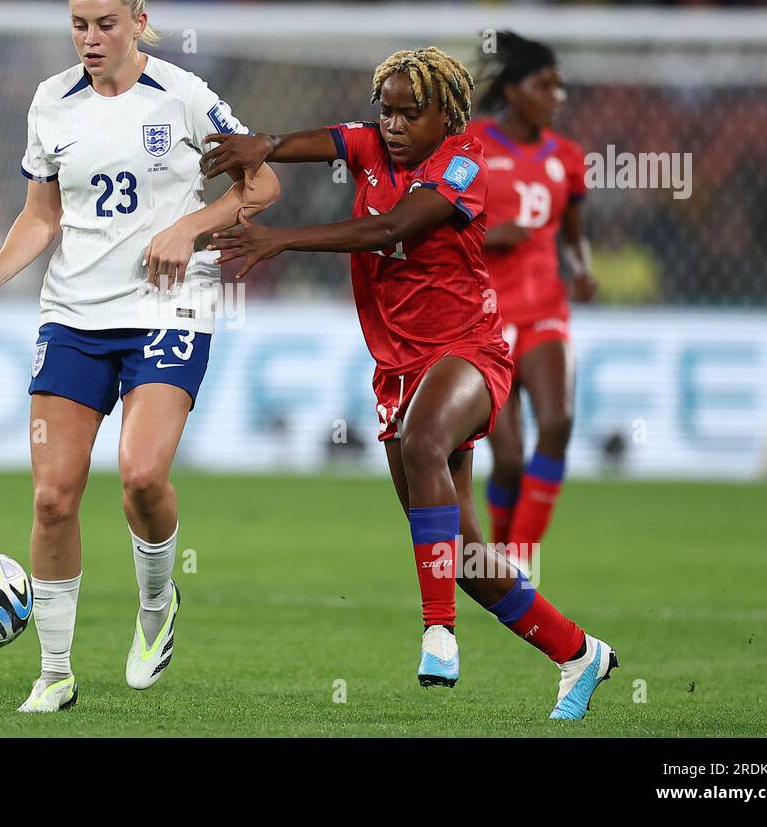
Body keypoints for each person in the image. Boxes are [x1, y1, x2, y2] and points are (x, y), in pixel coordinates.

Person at [201, 46, 616, 719]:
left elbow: (391, 227)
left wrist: (283, 239)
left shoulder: (461, 165)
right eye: (386, 110)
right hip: (398, 368)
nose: (392, 125)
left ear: (446, 115)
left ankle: (438, 632)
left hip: (469, 350)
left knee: (425, 443)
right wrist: (265, 144)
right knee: (466, 552)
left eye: (409, 113)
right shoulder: (372, 148)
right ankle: (578, 654)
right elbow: (333, 138)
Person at [0, 0, 281, 713]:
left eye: (104, 24)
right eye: (77, 26)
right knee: (54, 496)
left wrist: (192, 225)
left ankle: (157, 605)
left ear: (139, 24)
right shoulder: (51, 102)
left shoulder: (184, 96)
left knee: (140, 476)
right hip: (74, 313)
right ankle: (55, 673)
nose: (89, 39)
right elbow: (41, 214)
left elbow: (263, 181)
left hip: (171, 306)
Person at [467, 31, 595, 561]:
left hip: (545, 309)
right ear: (514, 91)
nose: (557, 97)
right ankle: (502, 564)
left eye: (561, 87)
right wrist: (486, 234)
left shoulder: (567, 157)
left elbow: (573, 232)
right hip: (487, 318)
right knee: (510, 461)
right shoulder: (471, 144)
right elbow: (433, 220)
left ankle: (519, 563)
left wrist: (583, 269)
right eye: (546, 85)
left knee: (559, 422)